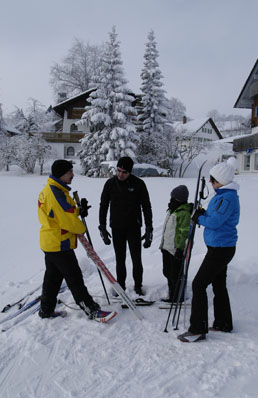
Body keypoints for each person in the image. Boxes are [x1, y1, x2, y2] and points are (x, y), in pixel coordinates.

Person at [38, 159, 116, 323]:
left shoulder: (54, 189)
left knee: (52, 279)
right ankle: (92, 310)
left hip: (51, 241)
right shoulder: (56, 194)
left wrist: (79, 210)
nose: (72, 175)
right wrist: (81, 228)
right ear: (61, 174)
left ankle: (46, 310)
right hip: (59, 243)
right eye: (69, 172)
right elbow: (67, 220)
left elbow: (65, 211)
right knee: (74, 278)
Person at [178, 159, 240, 342]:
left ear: (222, 180)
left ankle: (197, 329)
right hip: (219, 246)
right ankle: (223, 323)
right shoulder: (222, 195)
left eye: (213, 180)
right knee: (218, 284)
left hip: (221, 249)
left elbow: (214, 222)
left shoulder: (227, 197)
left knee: (198, 284)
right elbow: (212, 216)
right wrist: (200, 212)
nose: (211, 183)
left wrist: (198, 218)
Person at [99, 156, 153, 295]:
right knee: (120, 258)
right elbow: (103, 206)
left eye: (124, 172)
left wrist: (149, 229)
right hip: (116, 227)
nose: (120, 174)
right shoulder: (110, 184)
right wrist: (103, 227)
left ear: (130, 172)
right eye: (118, 170)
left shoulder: (139, 184)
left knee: (136, 258)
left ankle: (138, 286)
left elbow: (146, 207)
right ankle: (121, 285)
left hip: (134, 227)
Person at [160, 185, 192, 303]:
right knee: (167, 272)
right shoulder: (171, 209)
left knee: (175, 275)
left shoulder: (183, 213)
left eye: (173, 197)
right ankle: (171, 294)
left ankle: (178, 296)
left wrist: (180, 248)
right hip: (166, 247)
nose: (171, 199)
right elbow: (166, 229)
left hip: (175, 249)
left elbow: (183, 232)